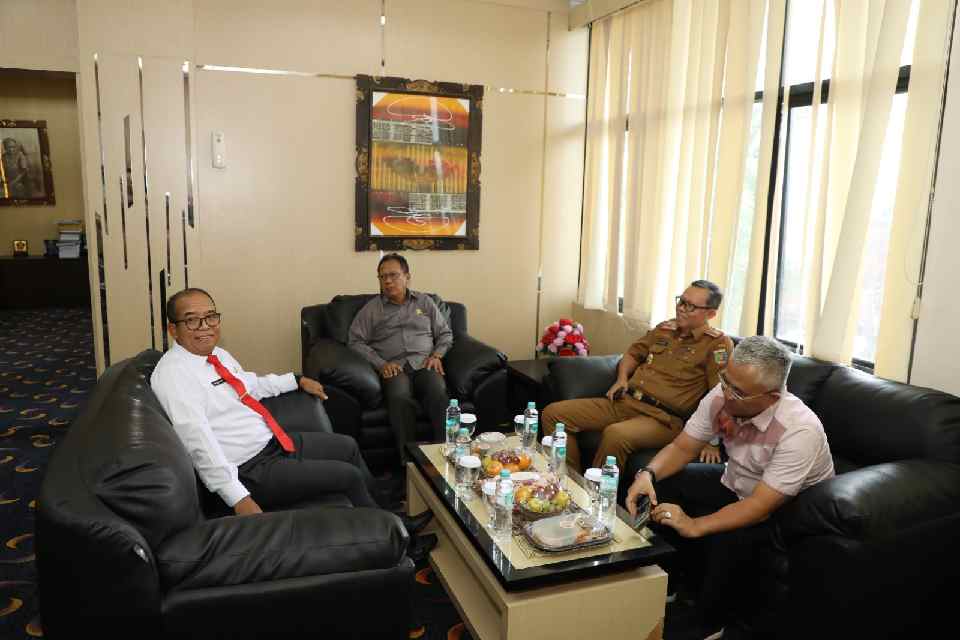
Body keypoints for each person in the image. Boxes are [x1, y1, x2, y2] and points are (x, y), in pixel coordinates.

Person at [151, 287, 435, 558]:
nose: (205, 326)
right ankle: (401, 543)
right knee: (346, 476)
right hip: (248, 469)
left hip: (272, 444)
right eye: (192, 320)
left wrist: (296, 380)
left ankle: (390, 514)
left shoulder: (216, 356)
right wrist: (238, 498)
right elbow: (198, 442)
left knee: (347, 446)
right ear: (173, 329)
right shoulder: (174, 375)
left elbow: (249, 385)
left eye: (210, 316)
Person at [625, 336, 835, 637]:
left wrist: (694, 525)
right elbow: (683, 448)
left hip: (787, 510)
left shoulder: (800, 430)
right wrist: (647, 474)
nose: (726, 393)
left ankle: (708, 623)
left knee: (729, 537)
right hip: (738, 482)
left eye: (737, 391)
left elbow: (759, 506)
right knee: (664, 484)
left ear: (772, 397)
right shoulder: (723, 394)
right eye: (725, 380)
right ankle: (668, 585)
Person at [542, 280, 734, 471]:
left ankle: (596, 489)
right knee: (554, 413)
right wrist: (622, 379)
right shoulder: (665, 329)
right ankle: (565, 479)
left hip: (663, 419)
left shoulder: (717, 344)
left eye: (690, 306)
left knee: (616, 434)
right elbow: (633, 353)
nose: (681, 308)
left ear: (710, 314)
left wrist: (711, 441)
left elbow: (719, 394)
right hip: (626, 401)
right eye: (681, 301)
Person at [349, 253, 453, 464]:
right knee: (399, 398)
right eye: (382, 277)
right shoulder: (372, 309)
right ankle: (409, 465)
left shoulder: (425, 302)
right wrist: (381, 364)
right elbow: (354, 341)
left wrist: (437, 355)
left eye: (393, 275)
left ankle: (445, 458)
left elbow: (445, 334)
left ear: (407, 277)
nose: (387, 281)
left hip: (425, 364)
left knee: (438, 393)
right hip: (394, 368)